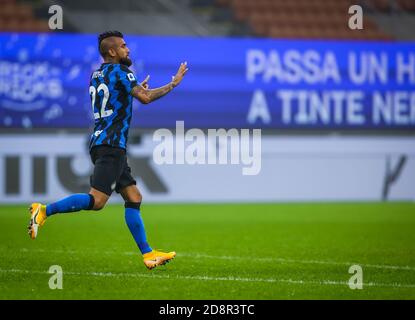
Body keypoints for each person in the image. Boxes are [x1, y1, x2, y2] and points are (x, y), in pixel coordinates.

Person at [28, 30, 188, 270]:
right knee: (98, 200)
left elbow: (117, 96)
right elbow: (144, 98)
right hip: (111, 145)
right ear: (112, 51)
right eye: (123, 46)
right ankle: (43, 210)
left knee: (134, 197)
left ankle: (148, 254)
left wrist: (132, 90)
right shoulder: (123, 72)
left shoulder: (97, 74)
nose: (128, 49)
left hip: (105, 143)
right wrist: (173, 84)